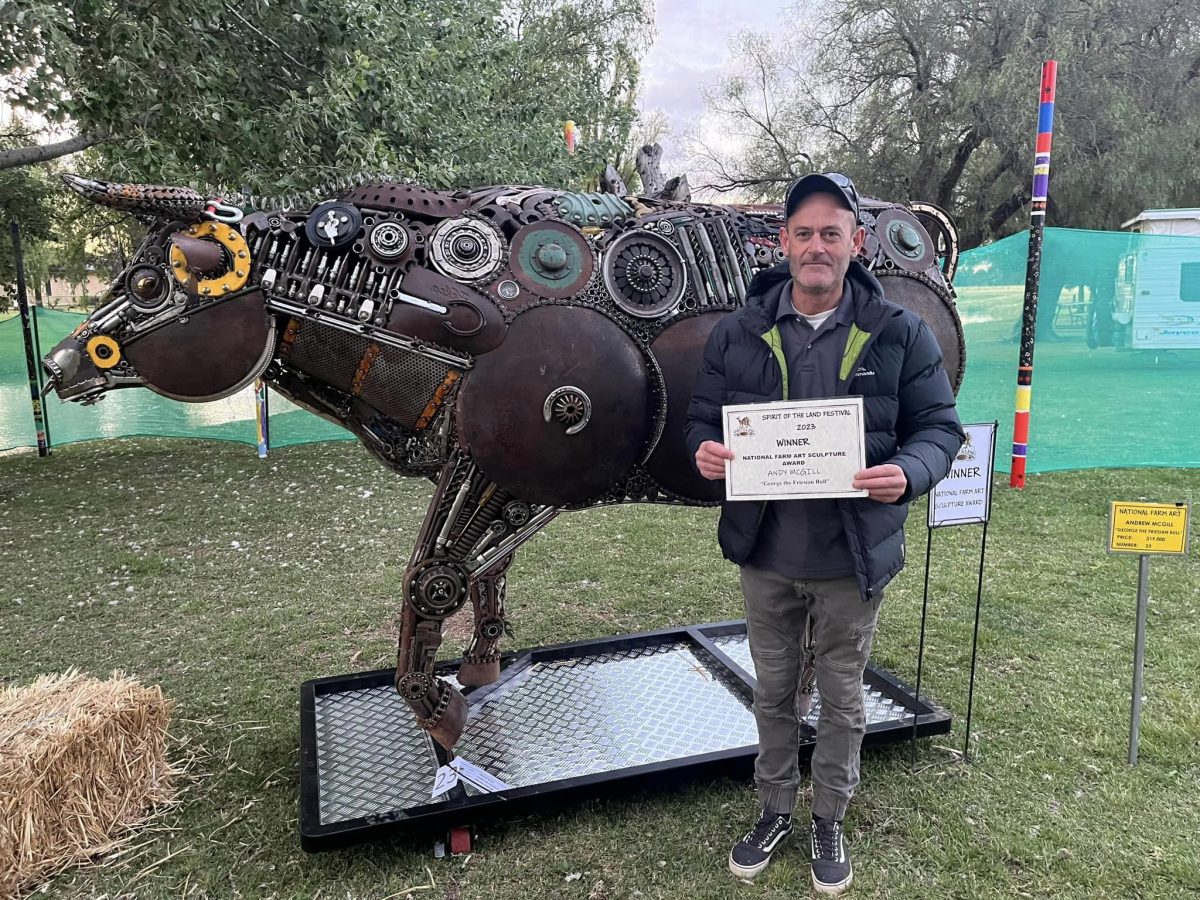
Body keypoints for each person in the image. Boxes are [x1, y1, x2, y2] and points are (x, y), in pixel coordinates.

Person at [685, 172, 963, 895]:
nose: (816, 246)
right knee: (773, 691)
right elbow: (700, 420)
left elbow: (939, 428)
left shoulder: (899, 332)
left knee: (841, 697)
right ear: (783, 241)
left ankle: (829, 814)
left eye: (831, 233)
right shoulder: (738, 331)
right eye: (803, 232)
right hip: (766, 553)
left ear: (856, 243)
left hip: (851, 557)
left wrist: (908, 470)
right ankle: (776, 806)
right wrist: (703, 452)